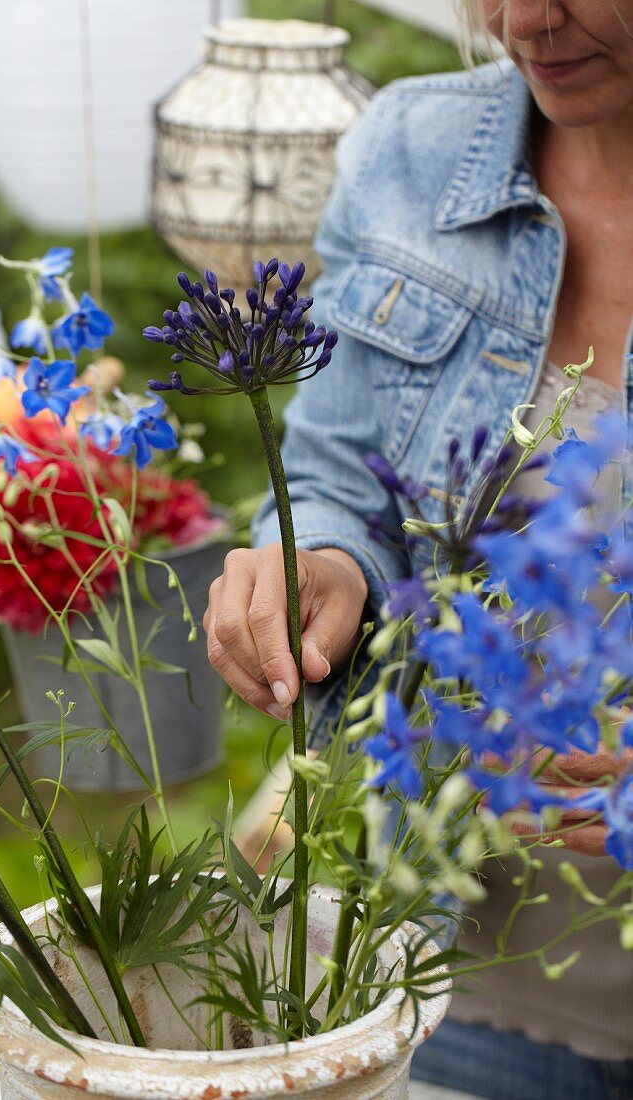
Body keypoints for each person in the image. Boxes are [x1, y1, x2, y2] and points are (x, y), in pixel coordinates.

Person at [203, 3, 633, 1097]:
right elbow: (339, 481)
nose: (523, 20)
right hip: (456, 973)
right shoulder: (415, 147)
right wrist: (323, 562)